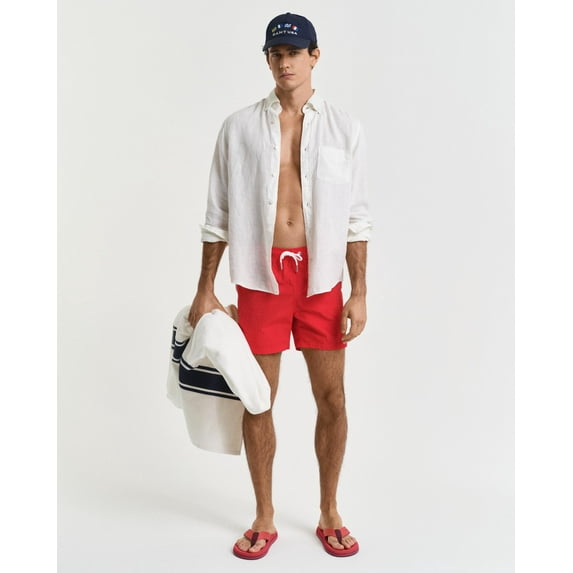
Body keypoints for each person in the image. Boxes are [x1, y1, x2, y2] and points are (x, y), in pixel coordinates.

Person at [187, 12, 371, 559]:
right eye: (276, 53)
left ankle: (329, 510)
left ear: (315, 55)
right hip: (259, 276)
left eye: (294, 52)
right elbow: (217, 214)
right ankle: (264, 514)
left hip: (320, 279)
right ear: (267, 59)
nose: (285, 62)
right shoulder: (239, 127)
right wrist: (205, 288)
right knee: (257, 397)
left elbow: (356, 219)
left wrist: (359, 292)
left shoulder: (345, 128)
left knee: (332, 398)